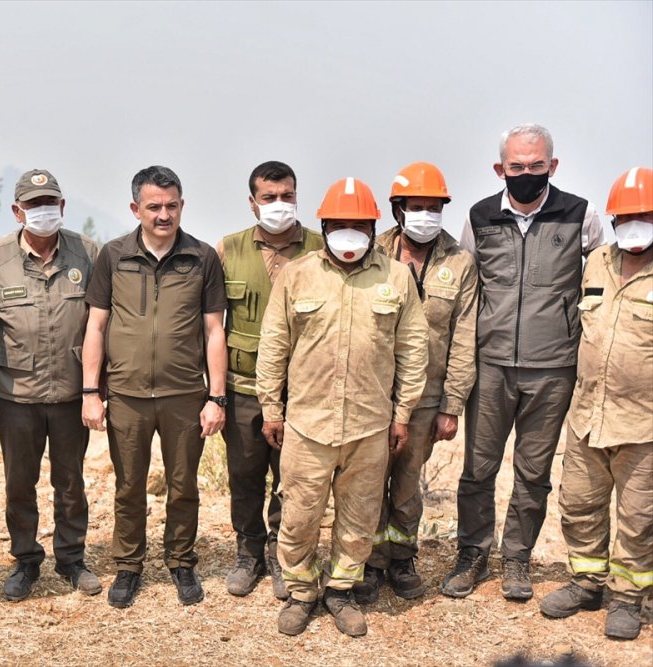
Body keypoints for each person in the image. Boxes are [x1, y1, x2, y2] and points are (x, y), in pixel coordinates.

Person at [257, 176, 428, 637]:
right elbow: (274, 344)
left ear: (374, 228)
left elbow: (413, 348)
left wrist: (402, 414)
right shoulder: (297, 274)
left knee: (358, 517)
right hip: (308, 424)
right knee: (299, 514)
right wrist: (272, 407)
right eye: (339, 224)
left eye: (359, 225)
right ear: (325, 224)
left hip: (369, 425)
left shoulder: (395, 277)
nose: (348, 233)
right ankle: (300, 592)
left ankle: (340, 591)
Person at [446, 124, 604, 601]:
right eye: (517, 167)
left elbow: (602, 283)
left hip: (554, 367)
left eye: (537, 166)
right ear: (501, 169)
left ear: (552, 166)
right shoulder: (478, 217)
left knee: (533, 472)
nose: (527, 174)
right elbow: (466, 288)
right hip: (491, 365)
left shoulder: (582, 215)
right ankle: (472, 553)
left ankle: (517, 558)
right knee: (478, 467)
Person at [81, 165, 227, 608]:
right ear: (135, 208)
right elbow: (97, 324)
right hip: (126, 394)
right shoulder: (113, 255)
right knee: (128, 486)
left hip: (184, 394)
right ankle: (128, 566)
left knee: (183, 485)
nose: (164, 215)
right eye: (154, 207)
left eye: (171, 206)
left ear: (182, 206)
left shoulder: (202, 258)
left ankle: (181, 561)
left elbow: (214, 331)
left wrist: (216, 396)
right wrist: (91, 391)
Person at [539, 166, 652, 641]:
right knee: (579, 505)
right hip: (588, 414)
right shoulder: (597, 262)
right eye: (626, 216)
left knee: (639, 517)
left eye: (645, 215)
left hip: (644, 424)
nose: (634, 224)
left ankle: (628, 597)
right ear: (611, 218)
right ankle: (587, 583)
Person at [355, 163, 477, 603]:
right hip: (373, 392)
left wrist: (452, 404)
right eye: (417, 207)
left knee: (407, 484)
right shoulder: (373, 251)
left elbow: (465, 336)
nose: (425, 215)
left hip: (427, 397)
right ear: (398, 210)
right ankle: (369, 561)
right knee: (368, 480)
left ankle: (402, 558)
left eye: (433, 207)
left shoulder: (460, 262)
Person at [0, 169, 101, 601]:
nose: (42, 211)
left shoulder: (88, 254)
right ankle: (26, 560)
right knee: (19, 482)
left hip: (71, 393)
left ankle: (71, 558)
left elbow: (100, 324)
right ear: (17, 211)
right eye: (33, 204)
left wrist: (96, 389)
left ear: (63, 208)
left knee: (71, 482)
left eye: (50, 203)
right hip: (17, 394)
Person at [217, 161, 323, 599]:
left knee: (292, 479)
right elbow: (212, 324)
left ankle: (283, 553)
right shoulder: (228, 249)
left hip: (301, 391)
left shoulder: (320, 247)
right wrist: (215, 391)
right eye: (269, 197)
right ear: (252, 202)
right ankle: (248, 552)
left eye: (287, 196)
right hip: (243, 388)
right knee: (244, 474)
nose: (280, 205)